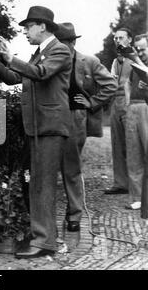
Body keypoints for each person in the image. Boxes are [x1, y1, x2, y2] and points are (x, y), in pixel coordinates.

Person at [0, 6, 72, 258]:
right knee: (37, 184)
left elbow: (39, 74)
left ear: (42, 26)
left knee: (44, 185)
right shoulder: (39, 54)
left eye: (28, 27)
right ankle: (42, 237)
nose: (25, 32)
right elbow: (13, 79)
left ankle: (44, 241)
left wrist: (9, 58)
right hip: (38, 128)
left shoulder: (59, 50)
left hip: (49, 128)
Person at [54, 23, 117, 231]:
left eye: (64, 43)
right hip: (51, 118)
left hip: (75, 117)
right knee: (48, 167)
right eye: (58, 43)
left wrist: (92, 102)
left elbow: (111, 85)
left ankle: (74, 215)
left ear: (73, 42)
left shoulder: (88, 61)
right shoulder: (49, 59)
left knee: (71, 167)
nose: (61, 48)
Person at [119, 33, 148, 210]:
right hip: (134, 107)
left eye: (143, 49)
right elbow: (127, 83)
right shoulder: (133, 64)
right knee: (133, 154)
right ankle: (137, 197)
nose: (139, 52)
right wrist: (128, 101)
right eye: (137, 49)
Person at [104, 28, 134, 196]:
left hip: (133, 102)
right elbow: (111, 81)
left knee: (134, 143)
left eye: (121, 37)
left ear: (129, 39)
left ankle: (138, 185)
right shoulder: (116, 61)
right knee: (117, 143)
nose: (117, 40)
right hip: (116, 102)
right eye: (115, 38)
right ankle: (121, 183)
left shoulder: (139, 58)